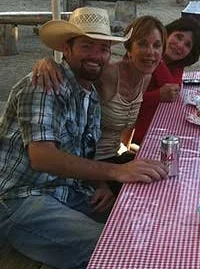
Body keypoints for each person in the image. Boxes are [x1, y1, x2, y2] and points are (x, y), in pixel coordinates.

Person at [0, 7, 167, 269]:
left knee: (140, 227)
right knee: (114, 248)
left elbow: (82, 153)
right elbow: (42, 157)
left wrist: (100, 183)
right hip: (21, 199)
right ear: (67, 49)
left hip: (67, 192)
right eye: (86, 46)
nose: (96, 55)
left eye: (102, 48)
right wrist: (116, 171)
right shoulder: (43, 85)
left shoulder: (88, 94)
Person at [32, 15, 166, 164]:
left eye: (157, 45)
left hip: (112, 158)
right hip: (90, 164)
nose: (150, 51)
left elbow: (127, 125)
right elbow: (74, 72)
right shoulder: (106, 73)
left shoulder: (145, 77)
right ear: (129, 48)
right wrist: (47, 63)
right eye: (142, 44)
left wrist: (126, 154)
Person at [133, 16, 200, 144]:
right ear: (166, 34)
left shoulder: (176, 64)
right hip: (134, 130)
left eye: (187, 45)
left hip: (157, 121)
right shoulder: (141, 57)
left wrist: (159, 61)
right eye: (178, 37)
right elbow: (127, 102)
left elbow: (173, 90)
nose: (180, 45)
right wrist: (158, 95)